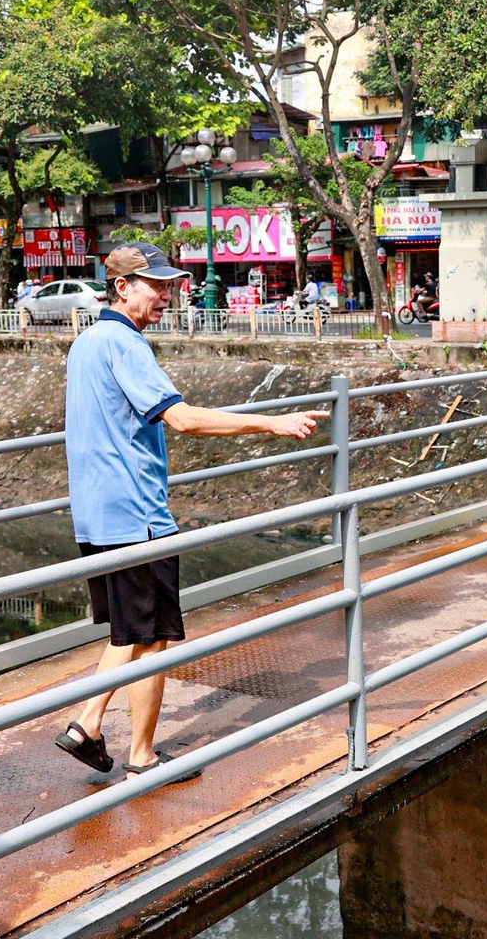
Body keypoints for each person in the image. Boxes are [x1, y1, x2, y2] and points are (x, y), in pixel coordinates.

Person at [53, 242, 327, 778]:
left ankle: (89, 725)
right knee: (153, 637)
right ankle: (139, 755)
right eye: (155, 285)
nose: (167, 294)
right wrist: (270, 423)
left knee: (132, 631)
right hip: (137, 513)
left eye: (169, 285)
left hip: (95, 509)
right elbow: (182, 420)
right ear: (122, 287)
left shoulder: (85, 342)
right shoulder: (126, 346)